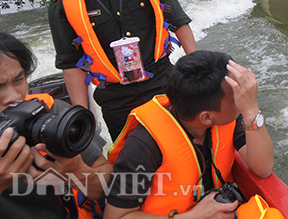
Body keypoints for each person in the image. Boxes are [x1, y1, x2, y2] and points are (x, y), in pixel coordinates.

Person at [47, 0, 198, 140]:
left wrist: (196, 70)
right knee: (133, 164)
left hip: (164, 83)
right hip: (116, 98)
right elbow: (71, 63)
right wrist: (82, 114)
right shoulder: (62, 1)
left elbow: (178, 22)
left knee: (185, 146)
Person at [104, 50, 274, 219]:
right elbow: (116, 217)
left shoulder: (226, 117)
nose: (241, 101)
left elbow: (263, 168)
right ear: (206, 117)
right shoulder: (142, 146)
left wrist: (252, 112)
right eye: (235, 99)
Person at [0, 31, 111, 219]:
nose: (15, 97)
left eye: (19, 79)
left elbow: (112, 185)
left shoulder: (51, 115)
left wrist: (78, 173)